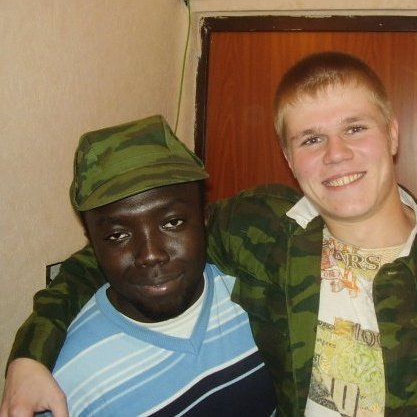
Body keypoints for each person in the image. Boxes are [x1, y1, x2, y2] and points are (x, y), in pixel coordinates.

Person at [1, 52, 417, 416]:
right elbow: (111, 255)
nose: (337, 154)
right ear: (288, 159)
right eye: (311, 139)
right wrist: (29, 353)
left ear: (392, 133)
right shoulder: (262, 231)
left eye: (355, 127)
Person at [37, 116, 277, 415]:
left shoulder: (255, 299)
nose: (150, 254)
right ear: (91, 242)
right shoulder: (69, 383)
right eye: (118, 235)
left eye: (172, 222)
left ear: (205, 218)